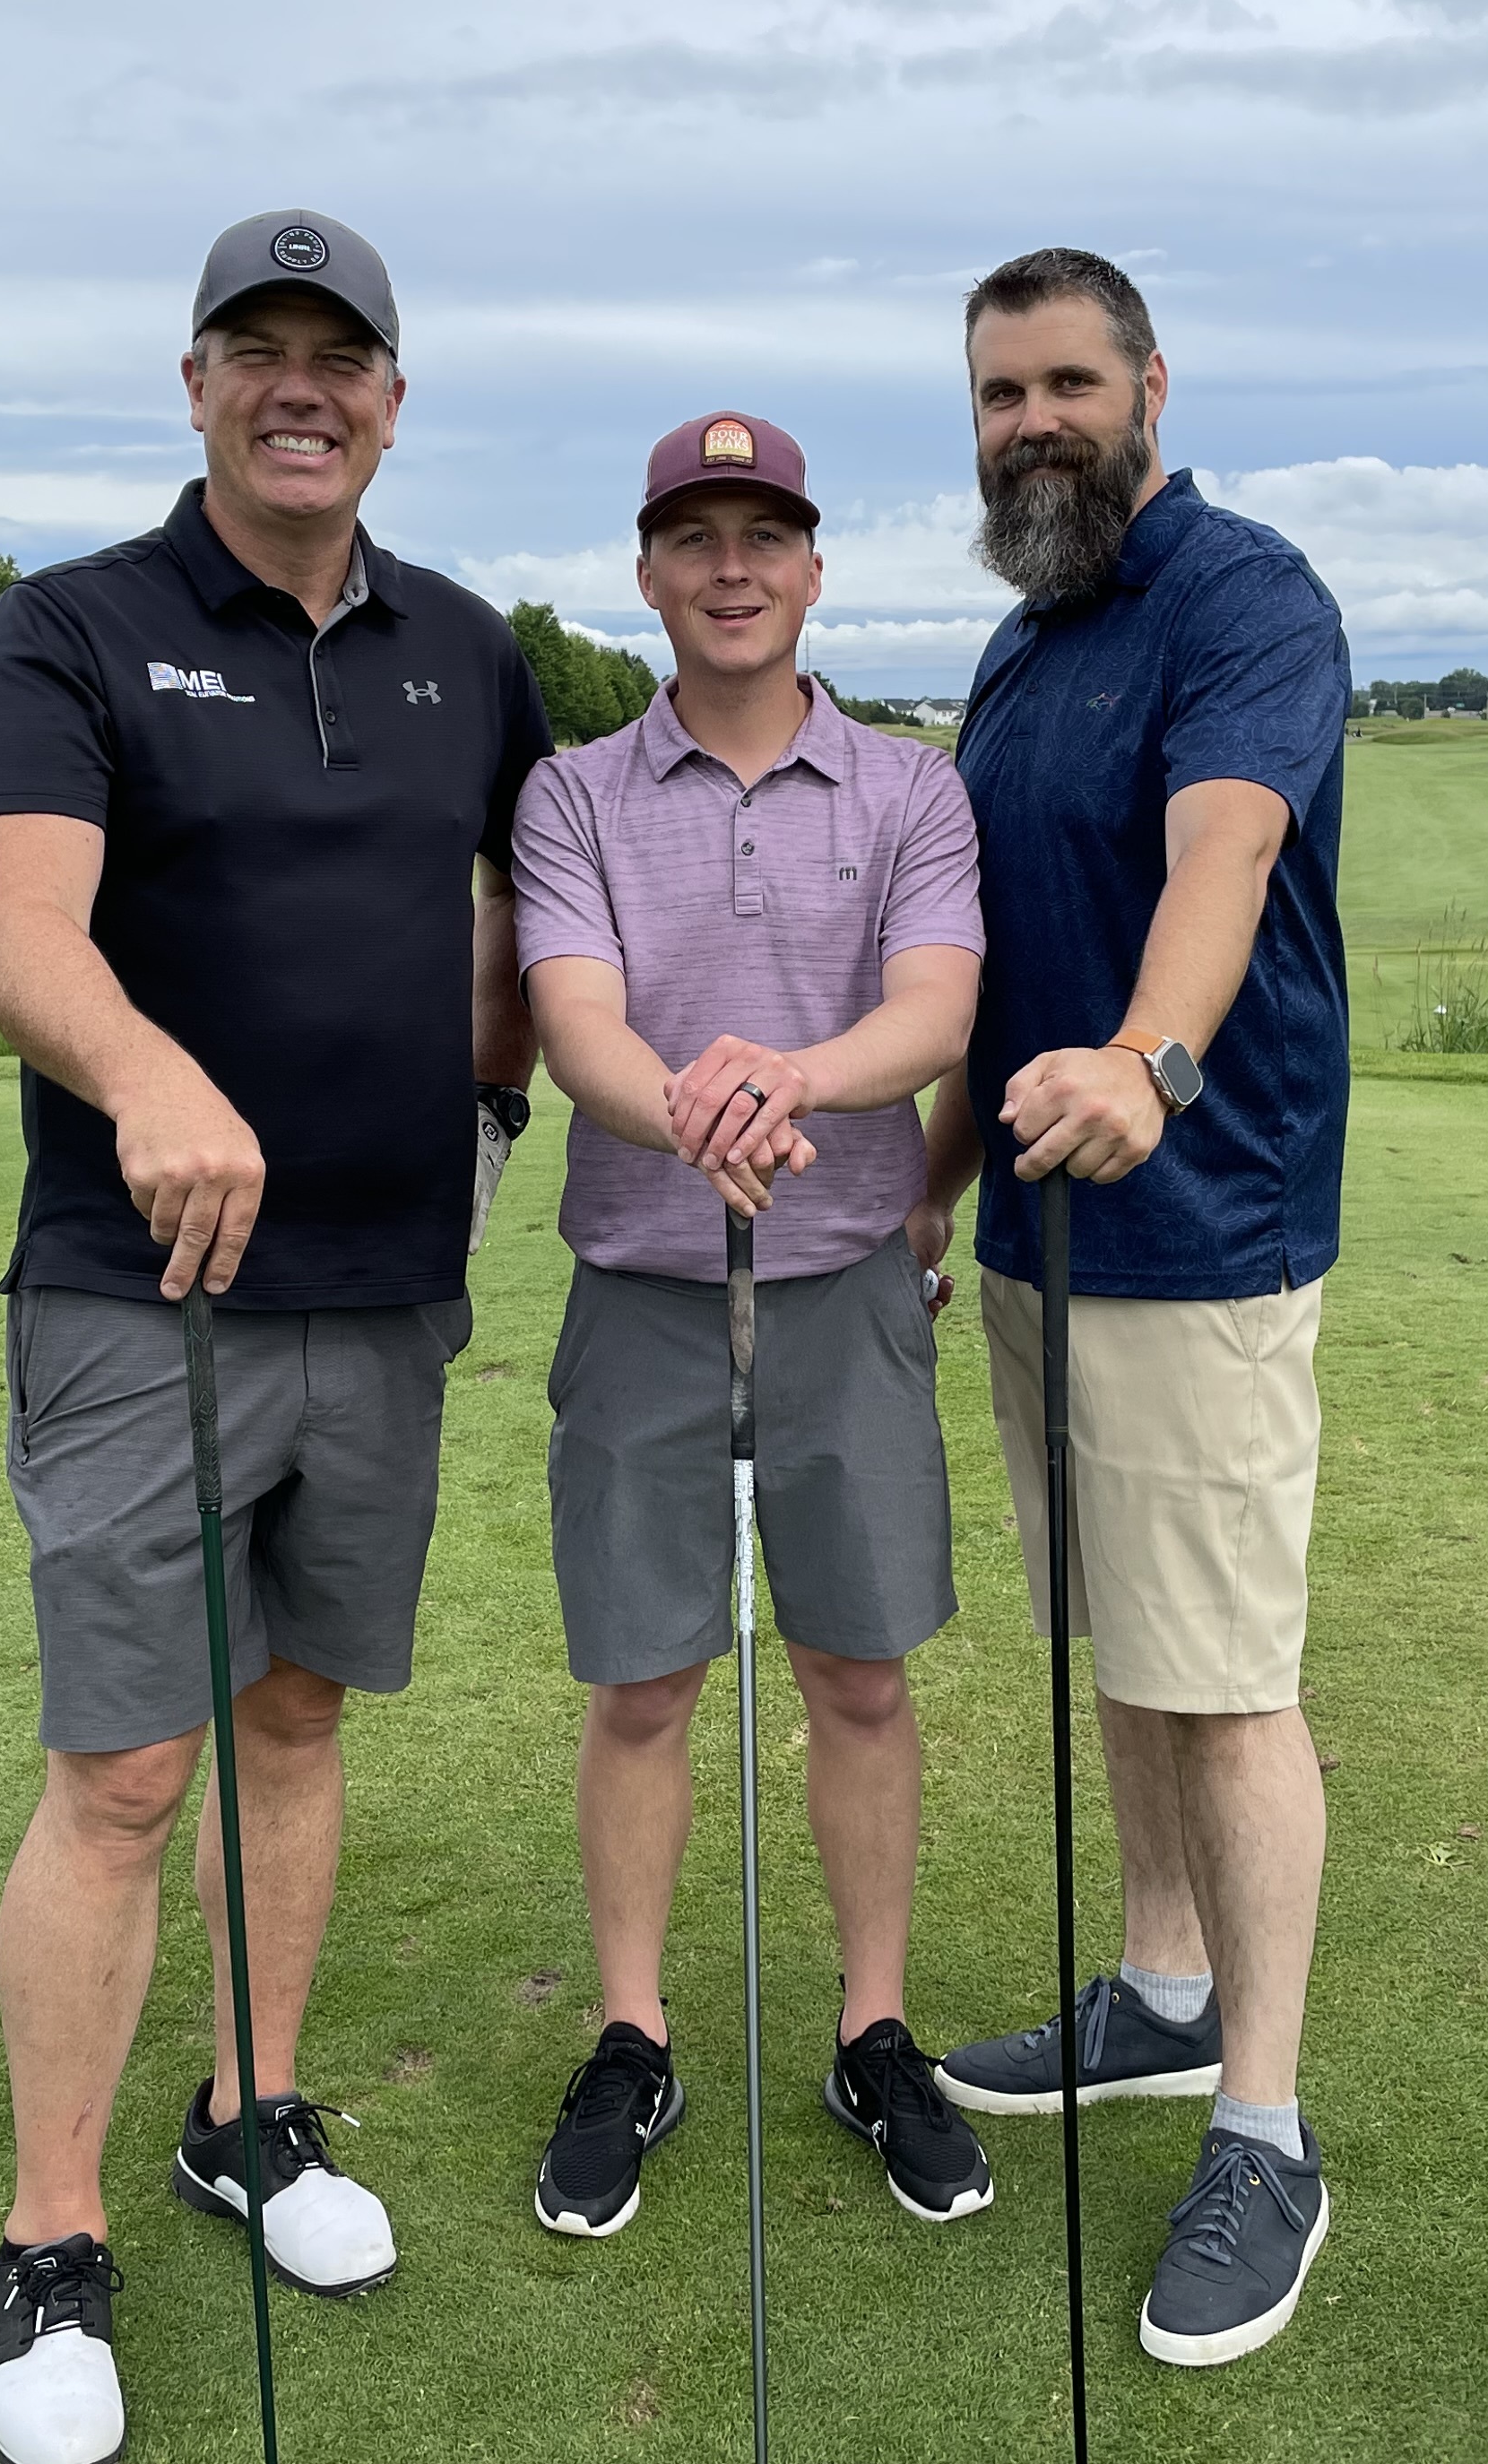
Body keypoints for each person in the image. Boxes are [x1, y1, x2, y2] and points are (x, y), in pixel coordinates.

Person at [0, 209, 550, 2464]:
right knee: (126, 1771)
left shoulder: (465, 650)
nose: (303, 387)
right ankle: (52, 2236)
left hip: (385, 1293)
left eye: (341, 355)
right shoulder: (72, 628)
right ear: (193, 381)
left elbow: (529, 904)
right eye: (257, 348)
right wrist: (146, 1074)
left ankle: (250, 2115)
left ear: (393, 396)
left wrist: (493, 1105)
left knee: (295, 1721)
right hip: (143, 1292)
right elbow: (20, 925)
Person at [913, 247, 1352, 2370]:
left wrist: (1153, 1061)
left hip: (1200, 1228)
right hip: (1035, 1234)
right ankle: (1162, 1993)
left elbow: (1223, 855)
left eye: (1068, 385)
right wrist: (929, 1182)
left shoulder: (1243, 599)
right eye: (1001, 395)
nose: (1033, 426)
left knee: (1228, 1676)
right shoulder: (1023, 645)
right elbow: (1002, 965)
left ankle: (1263, 2129)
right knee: (1125, 1637)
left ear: (1152, 387)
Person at [509, 410, 997, 2243]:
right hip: (643, 1289)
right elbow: (577, 1021)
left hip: (847, 1289)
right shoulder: (572, 794)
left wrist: (783, 1080)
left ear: (813, 566)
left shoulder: (911, 791)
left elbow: (934, 1009)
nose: (733, 568)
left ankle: (875, 2034)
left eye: (765, 535)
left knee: (859, 1674)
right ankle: (632, 2036)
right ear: (648, 572)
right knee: (645, 1685)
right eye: (697, 537)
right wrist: (691, 1111)